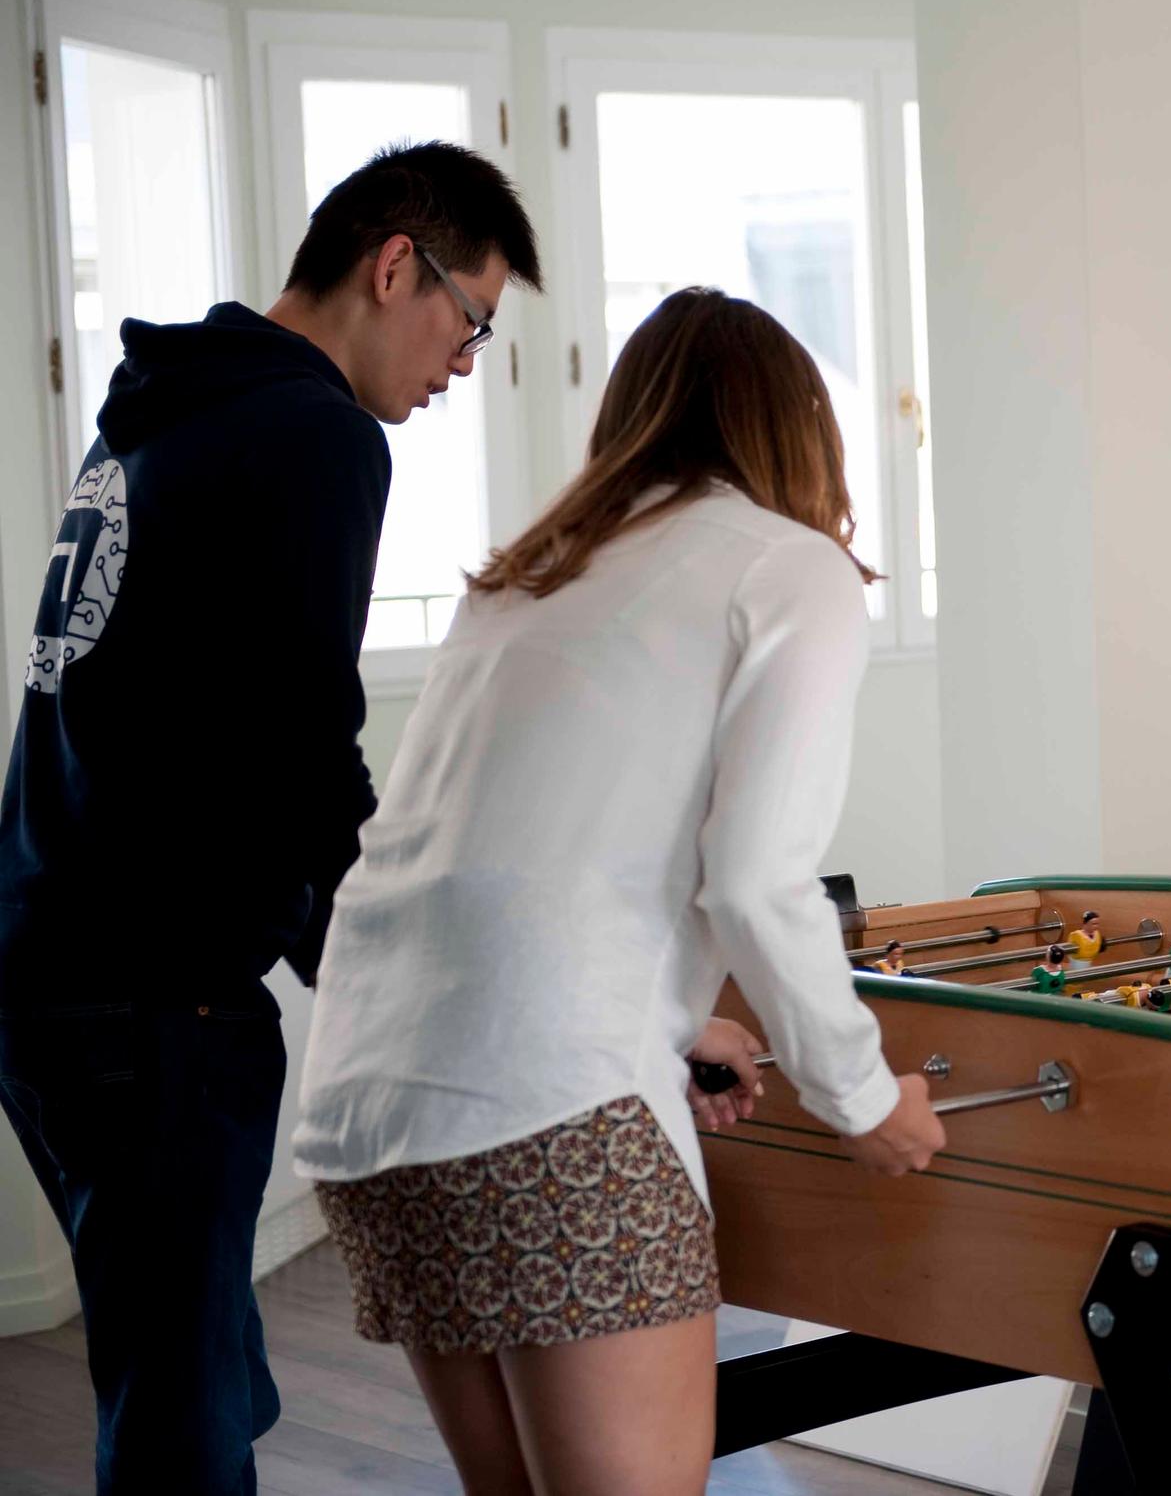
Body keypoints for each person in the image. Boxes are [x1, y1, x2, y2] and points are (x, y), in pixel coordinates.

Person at [291, 288, 947, 1496]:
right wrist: (864, 1099)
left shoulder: (527, 574)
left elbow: (479, 852)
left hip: (366, 1104)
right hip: (548, 1113)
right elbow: (756, 880)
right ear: (799, 427)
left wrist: (673, 1025)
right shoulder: (789, 567)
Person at [0, 141, 540, 1494]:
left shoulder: (162, 406)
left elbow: (174, 708)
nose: (465, 363)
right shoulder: (315, 434)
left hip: (42, 961)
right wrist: (391, 978)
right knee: (182, 1418)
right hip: (154, 1002)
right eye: (471, 320)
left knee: (200, 1363)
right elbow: (306, 747)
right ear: (396, 264)